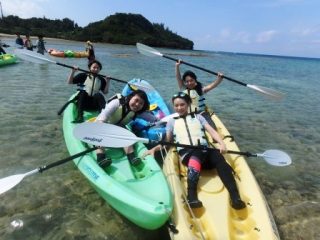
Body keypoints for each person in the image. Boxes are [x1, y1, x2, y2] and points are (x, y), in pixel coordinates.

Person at [144, 92, 246, 210]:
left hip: (205, 153)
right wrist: (154, 149)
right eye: (176, 105)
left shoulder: (198, 117)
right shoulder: (172, 122)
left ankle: (235, 198)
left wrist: (222, 143)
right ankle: (191, 197)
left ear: (188, 104)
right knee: (197, 153)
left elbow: (212, 131)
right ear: (173, 106)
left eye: (182, 104)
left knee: (219, 157)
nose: (179, 108)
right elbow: (167, 142)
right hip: (189, 155)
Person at [95, 90, 150, 168]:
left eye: (141, 103)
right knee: (99, 131)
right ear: (130, 97)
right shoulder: (116, 103)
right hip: (102, 126)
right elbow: (102, 119)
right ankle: (100, 158)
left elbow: (152, 118)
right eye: (136, 100)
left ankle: (132, 158)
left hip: (116, 131)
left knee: (126, 133)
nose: (137, 104)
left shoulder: (137, 112)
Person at [175, 60, 224, 128]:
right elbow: (178, 77)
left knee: (211, 127)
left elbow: (213, 85)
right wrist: (177, 66)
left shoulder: (201, 90)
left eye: (191, 80)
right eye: (187, 81)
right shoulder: (183, 89)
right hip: (189, 114)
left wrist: (219, 79)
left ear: (195, 80)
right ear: (184, 82)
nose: (189, 83)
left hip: (201, 113)